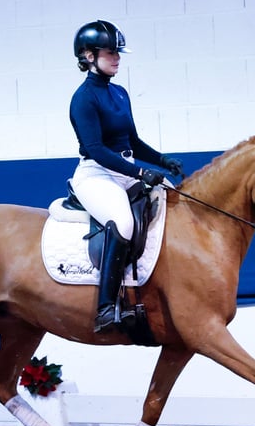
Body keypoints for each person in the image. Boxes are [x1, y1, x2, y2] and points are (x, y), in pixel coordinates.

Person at [69, 19, 184, 333]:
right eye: (109, 52)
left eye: (117, 52)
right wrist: (140, 172)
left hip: (124, 171)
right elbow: (95, 149)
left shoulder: (119, 93)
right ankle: (106, 307)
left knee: (173, 199)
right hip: (96, 175)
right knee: (123, 222)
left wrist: (161, 161)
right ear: (89, 56)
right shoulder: (83, 99)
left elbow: (131, 142)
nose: (116, 58)